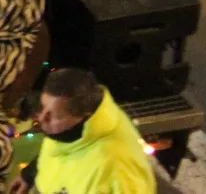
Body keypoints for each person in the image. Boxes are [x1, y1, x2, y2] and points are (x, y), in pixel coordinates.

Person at [11, 69, 156, 194]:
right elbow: (58, 150)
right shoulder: (69, 131)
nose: (42, 118)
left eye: (55, 115)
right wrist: (29, 174)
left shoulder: (117, 171)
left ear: (83, 117)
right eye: (43, 107)